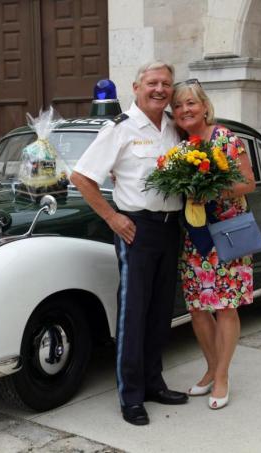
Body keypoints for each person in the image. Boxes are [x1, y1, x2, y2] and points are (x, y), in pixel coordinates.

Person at [70, 61, 188, 426]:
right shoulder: (119, 129)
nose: (160, 89)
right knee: (134, 313)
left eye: (166, 83)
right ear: (136, 88)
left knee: (160, 312)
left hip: (171, 228)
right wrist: (112, 217)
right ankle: (131, 395)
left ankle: (154, 382)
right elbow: (81, 177)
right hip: (137, 229)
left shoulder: (173, 127)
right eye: (152, 83)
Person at [170, 80, 256, 410]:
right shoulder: (180, 147)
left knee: (225, 306)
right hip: (196, 238)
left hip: (227, 233)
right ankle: (210, 368)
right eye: (178, 105)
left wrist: (211, 190)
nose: (185, 110)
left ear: (205, 106)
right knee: (197, 307)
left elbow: (248, 183)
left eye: (191, 103)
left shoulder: (225, 138)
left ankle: (222, 376)